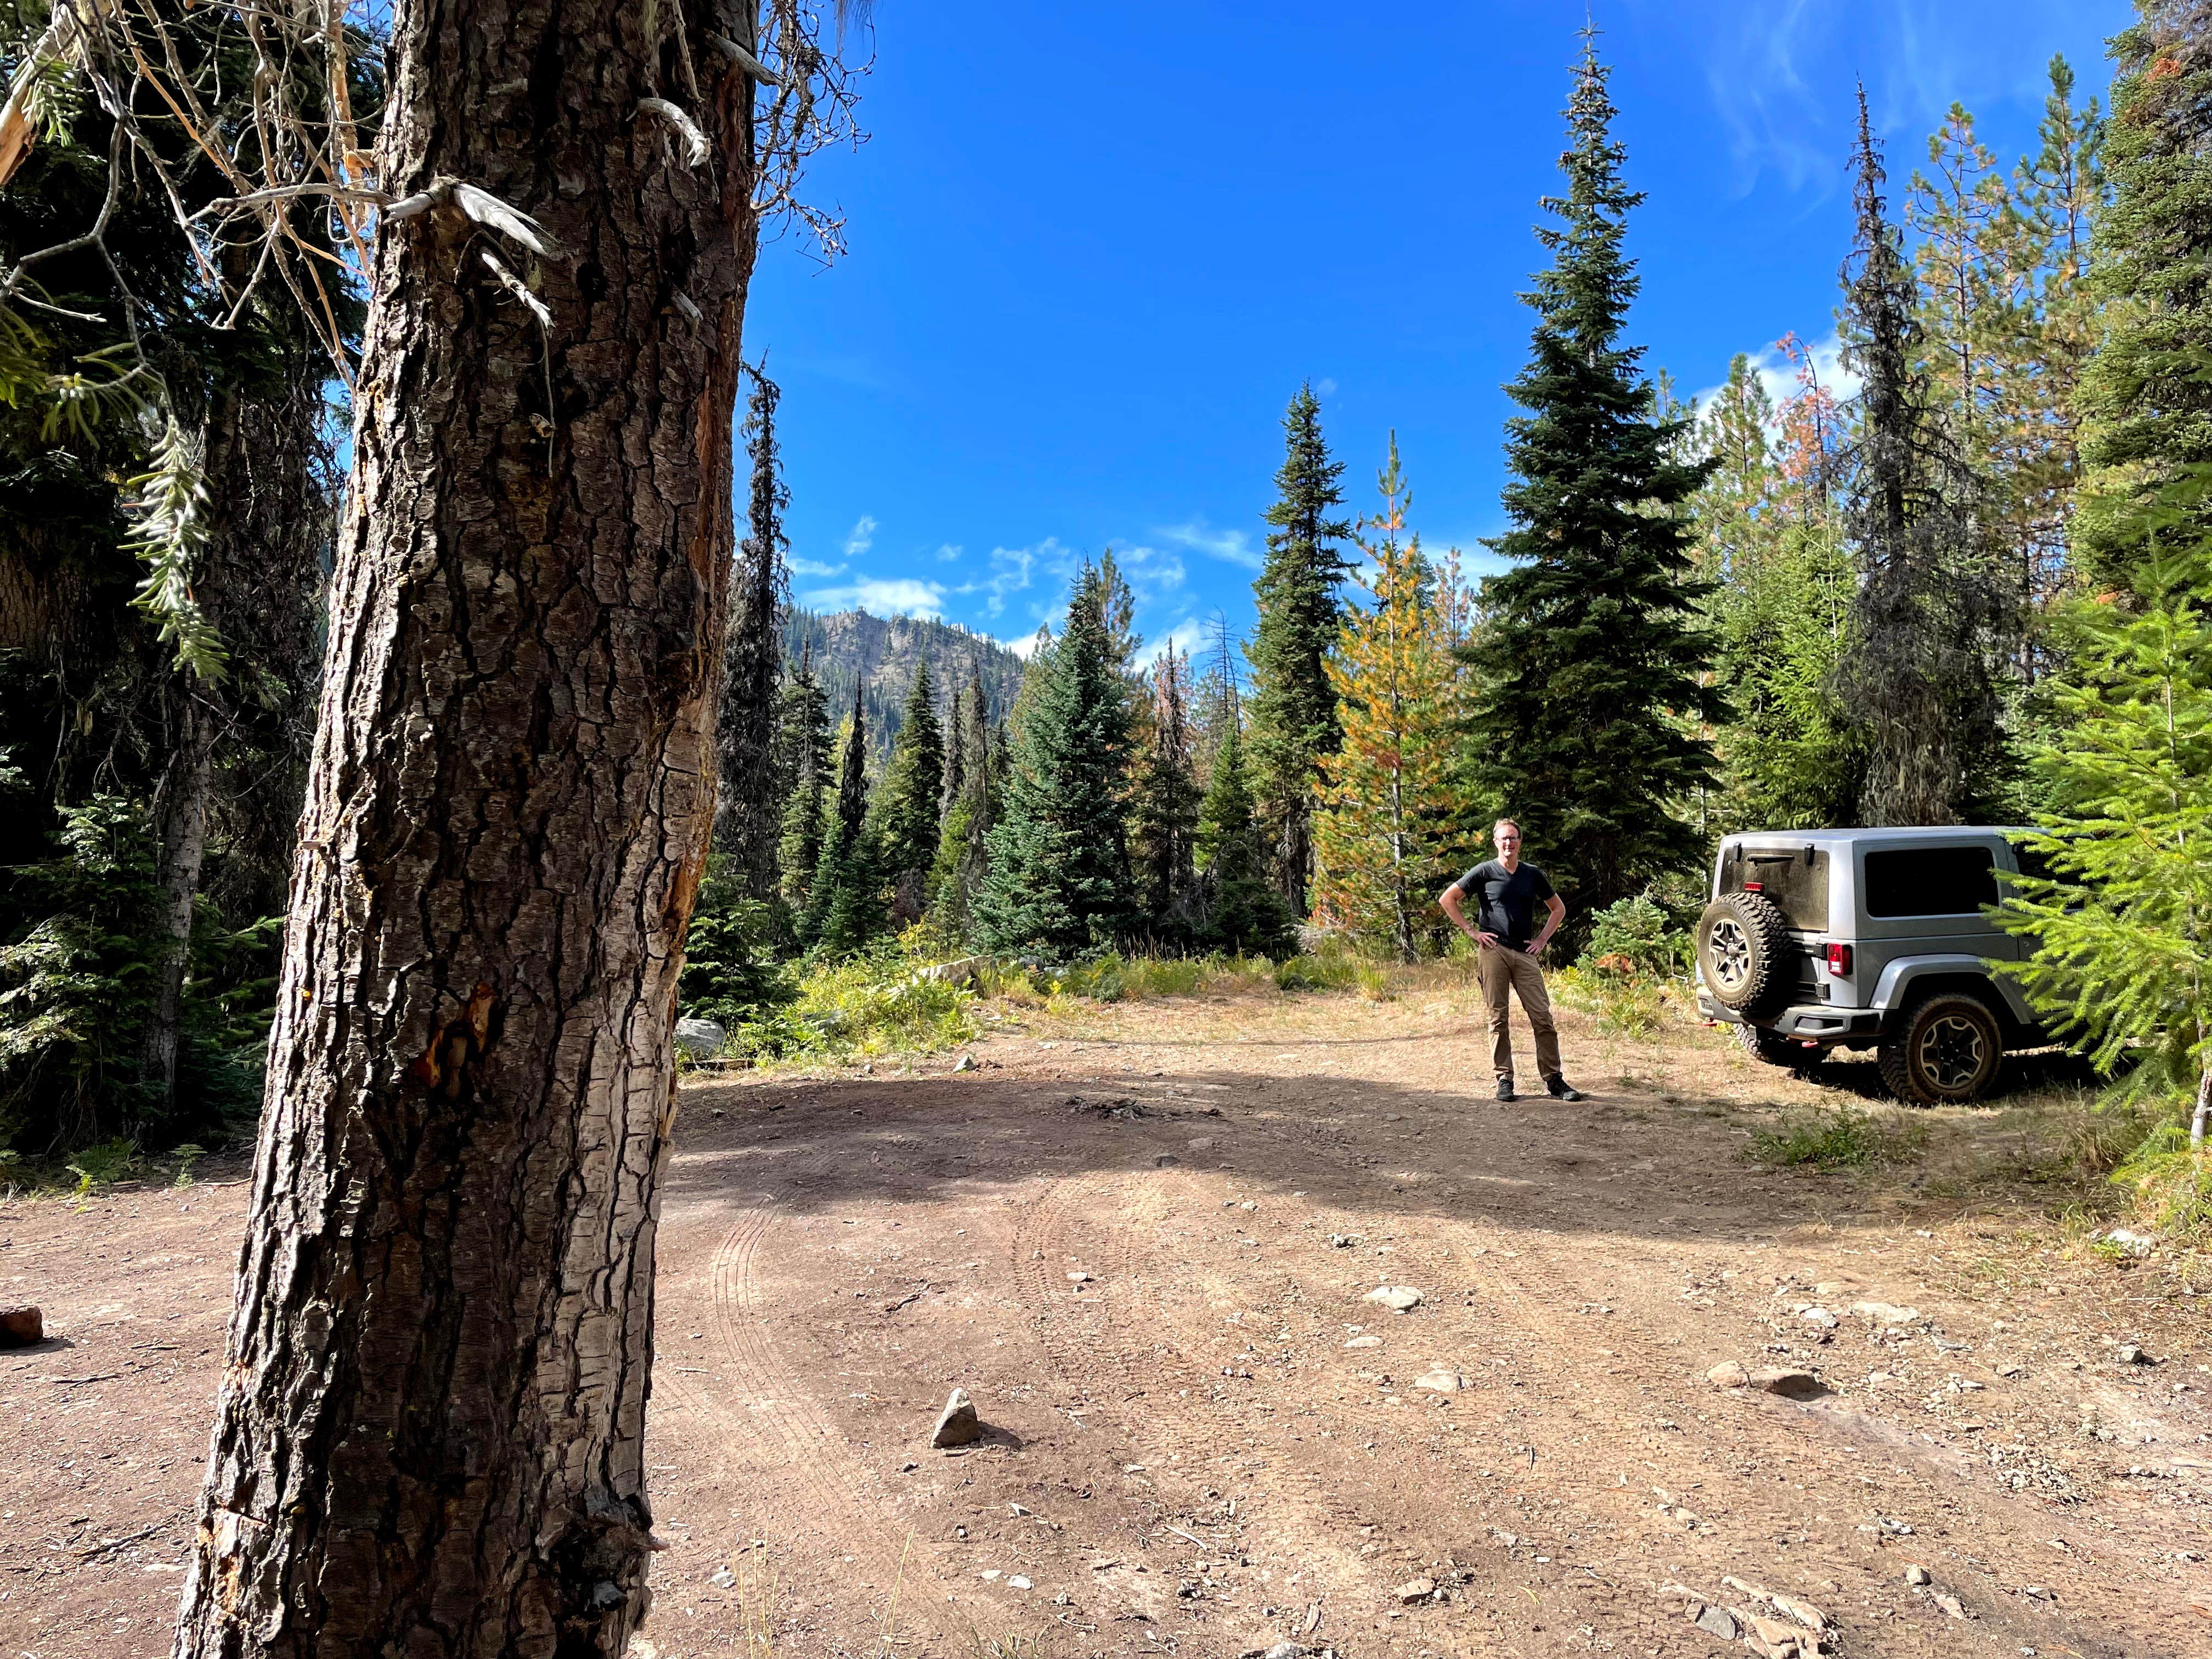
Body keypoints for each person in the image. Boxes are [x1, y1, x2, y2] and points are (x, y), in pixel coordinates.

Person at [1440, 819, 1583, 1103]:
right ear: (1495, 842)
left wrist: (1542, 940)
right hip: (1494, 951)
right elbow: (1448, 899)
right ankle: (1504, 1079)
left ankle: (1554, 1080)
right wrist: (1472, 931)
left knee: (1542, 1016)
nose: (1509, 843)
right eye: (1504, 839)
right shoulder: (1484, 872)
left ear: (1520, 841)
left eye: (1513, 838)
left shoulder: (1532, 874)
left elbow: (1558, 909)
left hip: (1524, 953)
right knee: (1498, 1018)